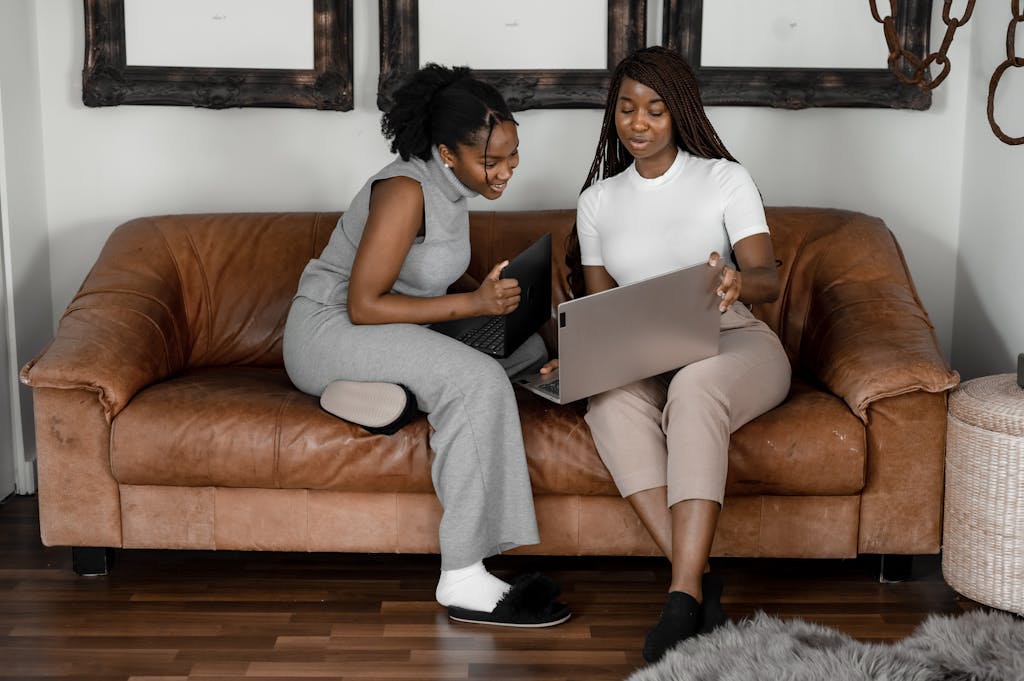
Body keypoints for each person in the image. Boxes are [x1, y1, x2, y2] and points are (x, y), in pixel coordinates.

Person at [283, 63, 570, 628]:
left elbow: (419, 281)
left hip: (387, 331)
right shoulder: (404, 191)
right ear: (446, 152)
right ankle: (463, 575)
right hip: (331, 329)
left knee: (525, 350)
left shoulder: (452, 189)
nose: (507, 171)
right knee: (475, 379)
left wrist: (492, 304)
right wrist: (474, 307)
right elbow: (364, 305)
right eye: (493, 160)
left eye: (513, 155)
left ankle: (391, 394)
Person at [547, 46, 791, 661]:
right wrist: (579, 352)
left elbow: (769, 277)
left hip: (731, 336)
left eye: (655, 110)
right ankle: (701, 575)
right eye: (627, 108)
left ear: (679, 112)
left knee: (696, 389)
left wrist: (735, 280)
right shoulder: (598, 200)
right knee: (604, 399)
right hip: (644, 348)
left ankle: (682, 594)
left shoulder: (723, 179)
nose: (638, 123)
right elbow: (605, 312)